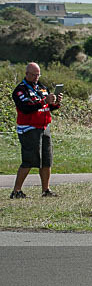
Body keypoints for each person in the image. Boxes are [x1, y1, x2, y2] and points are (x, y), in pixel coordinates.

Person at [10, 62, 62, 198]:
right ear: (26, 74)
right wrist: (45, 101)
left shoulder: (42, 87)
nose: (36, 78)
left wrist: (55, 103)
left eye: (38, 75)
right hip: (29, 129)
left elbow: (48, 107)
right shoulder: (20, 90)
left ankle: (46, 190)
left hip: (44, 127)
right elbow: (26, 108)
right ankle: (16, 191)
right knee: (29, 160)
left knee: (46, 160)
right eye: (33, 75)